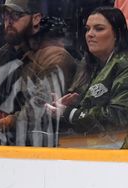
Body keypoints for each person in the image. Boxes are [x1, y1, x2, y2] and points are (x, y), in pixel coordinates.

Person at [0, 0, 76, 146]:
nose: (8, 21)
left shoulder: (54, 57)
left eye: (16, 15)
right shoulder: (0, 55)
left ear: (35, 19)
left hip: (32, 144)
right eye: (5, 15)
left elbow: (37, 111)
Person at [46, 7, 128, 142]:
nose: (90, 34)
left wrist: (69, 113)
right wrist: (66, 107)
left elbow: (119, 116)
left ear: (117, 34)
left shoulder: (124, 66)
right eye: (87, 29)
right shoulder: (88, 64)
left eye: (99, 29)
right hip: (88, 146)